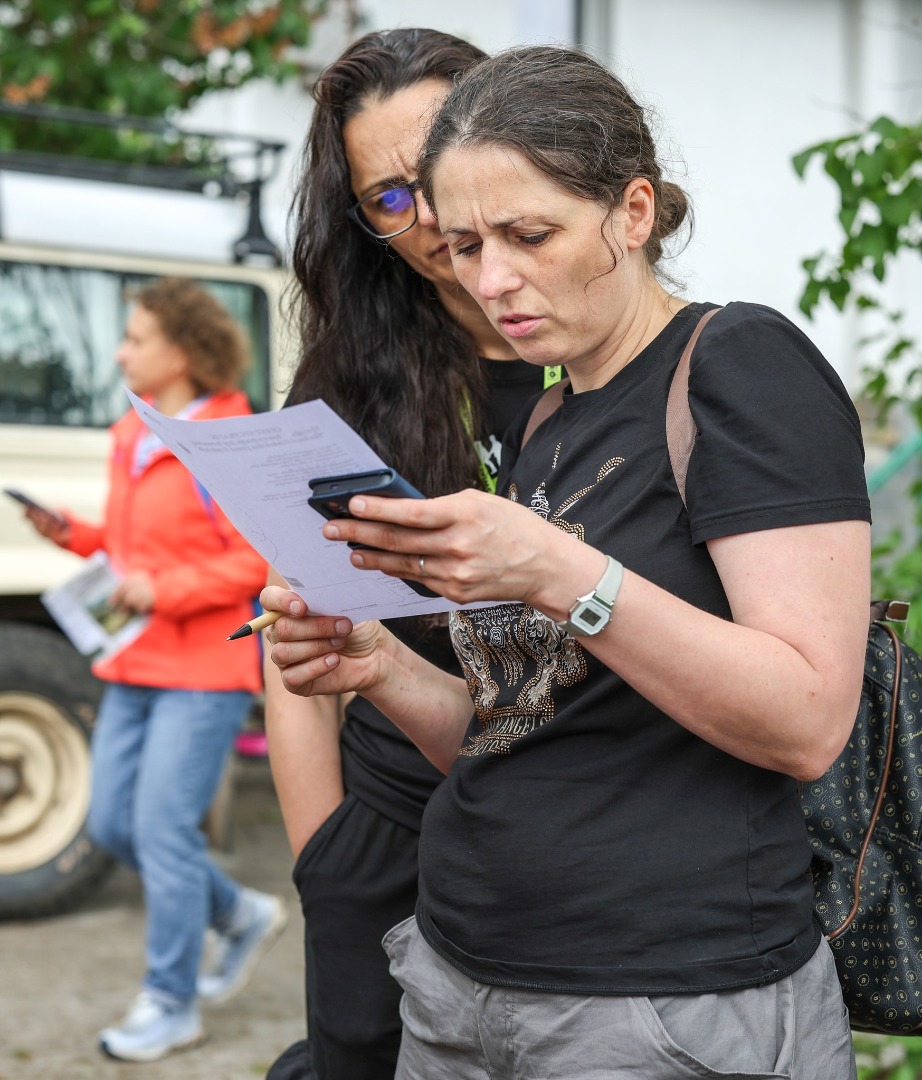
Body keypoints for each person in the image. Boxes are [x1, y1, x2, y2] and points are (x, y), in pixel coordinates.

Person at [262, 44, 872, 1080]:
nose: (490, 280)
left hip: (658, 994)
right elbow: (519, 740)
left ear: (632, 213)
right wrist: (379, 665)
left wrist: (558, 570)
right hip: (464, 975)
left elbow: (807, 722)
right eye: (460, 245)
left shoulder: (737, 363)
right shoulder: (555, 412)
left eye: (528, 234)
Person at [262, 28, 549, 1080]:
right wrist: (321, 853)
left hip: (589, 824)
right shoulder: (348, 386)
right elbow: (294, 620)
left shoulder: (623, 355)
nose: (428, 217)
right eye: (388, 198)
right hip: (392, 832)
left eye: (434, 169)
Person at [21, 277, 287, 1063]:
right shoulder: (129, 433)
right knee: (109, 823)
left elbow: (252, 560)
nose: (120, 351)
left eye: (135, 338)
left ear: (185, 351)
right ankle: (237, 913)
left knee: (163, 832)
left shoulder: (227, 440)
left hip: (203, 668)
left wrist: (161, 590)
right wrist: (71, 533)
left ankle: (171, 1003)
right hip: (133, 660)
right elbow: (135, 548)